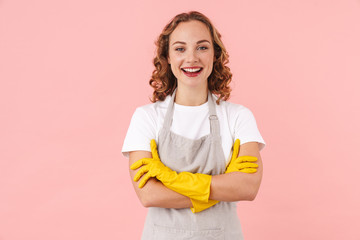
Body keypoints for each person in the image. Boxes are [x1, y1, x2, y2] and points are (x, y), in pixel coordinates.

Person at [122, 11, 266, 240]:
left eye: (202, 47)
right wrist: (221, 187)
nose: (191, 58)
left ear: (215, 54)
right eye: (180, 49)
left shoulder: (238, 117)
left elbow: (247, 188)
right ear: (167, 56)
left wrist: (171, 179)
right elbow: (149, 194)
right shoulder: (146, 117)